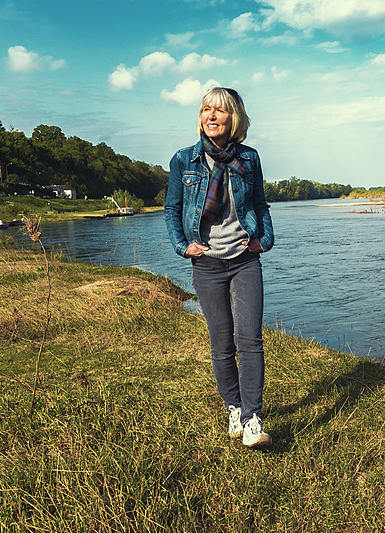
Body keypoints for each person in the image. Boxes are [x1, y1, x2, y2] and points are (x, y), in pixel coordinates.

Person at [165, 87, 274, 448]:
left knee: (250, 339)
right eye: (206, 109)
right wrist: (183, 246)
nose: (211, 116)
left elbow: (260, 204)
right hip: (207, 264)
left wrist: (265, 239)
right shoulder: (184, 160)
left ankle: (252, 418)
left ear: (234, 118)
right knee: (221, 342)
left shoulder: (249, 158)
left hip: (245, 260)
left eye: (220, 111)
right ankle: (233, 407)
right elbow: (171, 209)